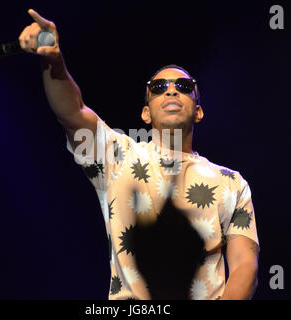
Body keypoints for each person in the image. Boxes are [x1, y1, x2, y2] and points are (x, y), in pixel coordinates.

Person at [19, 9, 260, 300]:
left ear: (198, 111)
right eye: (159, 88)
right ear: (146, 113)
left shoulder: (232, 182)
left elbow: (245, 265)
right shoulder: (116, 157)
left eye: (183, 87)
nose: (171, 91)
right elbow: (72, 112)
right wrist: (53, 60)